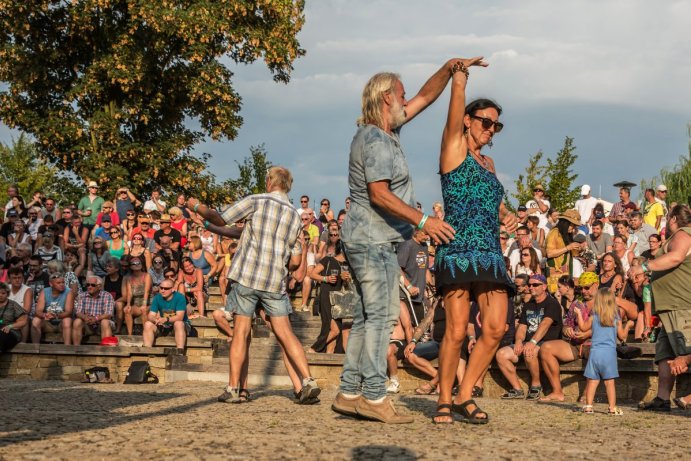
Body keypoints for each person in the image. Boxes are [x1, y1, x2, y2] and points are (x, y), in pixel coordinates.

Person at [332, 62, 459, 424]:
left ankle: (348, 392)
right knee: (382, 319)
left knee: (367, 317)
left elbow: (424, 97)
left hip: (368, 239)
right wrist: (423, 220)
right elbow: (378, 194)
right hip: (373, 240)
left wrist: (449, 70)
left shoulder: (387, 132)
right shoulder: (373, 139)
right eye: (401, 95)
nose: (407, 100)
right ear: (387, 98)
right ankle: (373, 396)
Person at [188, 166, 322, 405]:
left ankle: (232, 388)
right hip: (274, 282)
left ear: (269, 182)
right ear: (288, 186)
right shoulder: (294, 215)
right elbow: (294, 262)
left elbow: (222, 218)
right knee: (286, 334)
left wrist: (196, 206)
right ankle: (308, 380)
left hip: (248, 277)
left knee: (240, 333)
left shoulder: (257, 201)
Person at [431, 58, 518, 424]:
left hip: (490, 252)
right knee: (454, 330)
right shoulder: (454, 148)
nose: (491, 129)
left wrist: (507, 214)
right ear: (469, 120)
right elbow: (453, 113)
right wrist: (459, 76)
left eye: (496, 124)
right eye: (486, 121)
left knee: (496, 327)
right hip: (458, 250)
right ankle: (445, 399)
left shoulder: (490, 164)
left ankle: (466, 394)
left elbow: (494, 203)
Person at [633, 204, 691, 412]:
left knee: (687, 354)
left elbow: (675, 257)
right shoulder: (678, 235)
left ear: (674, 218)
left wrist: (644, 266)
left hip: (680, 305)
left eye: (668, 217)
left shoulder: (683, 234)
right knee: (664, 355)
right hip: (668, 307)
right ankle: (662, 398)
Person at [495, 274, 561, 401]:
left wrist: (532, 342)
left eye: (535, 285)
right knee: (501, 354)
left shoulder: (551, 303)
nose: (531, 287)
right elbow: (522, 327)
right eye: (529, 285)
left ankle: (536, 385)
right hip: (528, 341)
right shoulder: (528, 304)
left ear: (544, 287)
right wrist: (519, 341)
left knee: (529, 351)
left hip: (545, 342)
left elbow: (545, 324)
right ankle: (517, 389)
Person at [538, 272, 598, 402]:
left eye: (587, 288)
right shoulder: (577, 303)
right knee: (545, 348)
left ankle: (588, 394)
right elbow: (565, 325)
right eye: (581, 288)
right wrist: (568, 330)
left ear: (596, 285)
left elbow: (609, 326)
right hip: (575, 344)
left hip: (596, 343)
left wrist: (588, 334)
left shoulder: (605, 302)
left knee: (596, 352)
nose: (583, 291)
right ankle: (557, 392)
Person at [575, 288, 628, 415]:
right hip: (609, 354)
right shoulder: (616, 318)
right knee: (609, 382)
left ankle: (588, 406)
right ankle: (612, 408)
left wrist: (578, 314)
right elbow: (622, 336)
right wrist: (629, 326)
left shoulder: (594, 317)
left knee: (592, 381)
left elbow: (582, 328)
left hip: (595, 352)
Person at [143, 279, 190, 353]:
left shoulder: (180, 297)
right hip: (164, 326)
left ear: (173, 289)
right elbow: (151, 315)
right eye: (161, 288)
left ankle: (180, 352)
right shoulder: (157, 298)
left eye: (166, 288)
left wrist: (166, 319)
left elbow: (180, 317)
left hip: (180, 327)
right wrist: (155, 319)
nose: (162, 290)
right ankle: (146, 351)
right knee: (148, 324)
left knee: (178, 323)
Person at [31, 272, 74, 344]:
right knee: (35, 320)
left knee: (67, 320)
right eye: (58, 283)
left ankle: (67, 348)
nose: (62, 284)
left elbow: (68, 312)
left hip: (61, 323)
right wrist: (45, 315)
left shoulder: (68, 291)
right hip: (47, 323)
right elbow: (38, 311)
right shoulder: (44, 291)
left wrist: (56, 316)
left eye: (63, 282)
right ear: (51, 284)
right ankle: (35, 348)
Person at [72, 275, 115, 344]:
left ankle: (106, 350)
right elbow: (78, 312)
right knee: (77, 321)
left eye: (92, 285)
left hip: (101, 324)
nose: (89, 287)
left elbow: (108, 314)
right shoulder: (82, 295)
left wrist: (96, 318)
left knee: (105, 322)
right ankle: (76, 349)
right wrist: (85, 317)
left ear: (99, 286)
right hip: (87, 323)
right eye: (88, 285)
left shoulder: (107, 295)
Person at [123, 255, 151, 333]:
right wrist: (128, 304)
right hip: (136, 303)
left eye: (138, 263)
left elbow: (147, 291)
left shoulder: (147, 276)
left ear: (142, 264)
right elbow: (130, 293)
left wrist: (144, 304)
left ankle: (146, 333)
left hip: (148, 302)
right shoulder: (129, 278)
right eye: (134, 263)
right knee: (127, 311)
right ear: (130, 266)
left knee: (144, 310)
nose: (136, 264)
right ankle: (130, 335)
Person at [0, 282, 28, 352]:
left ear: (7, 294)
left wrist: (10, 326)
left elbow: (23, 321)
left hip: (10, 332)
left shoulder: (13, 305)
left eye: (3, 293)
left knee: (1, 336)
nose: (0, 295)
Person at [7, 267, 32, 342]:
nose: (17, 280)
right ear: (9, 279)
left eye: (19, 277)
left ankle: (23, 344)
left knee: (25, 318)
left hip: (21, 318)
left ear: (23, 278)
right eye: (14, 278)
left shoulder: (27, 290)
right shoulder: (5, 289)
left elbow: (26, 310)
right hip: (6, 318)